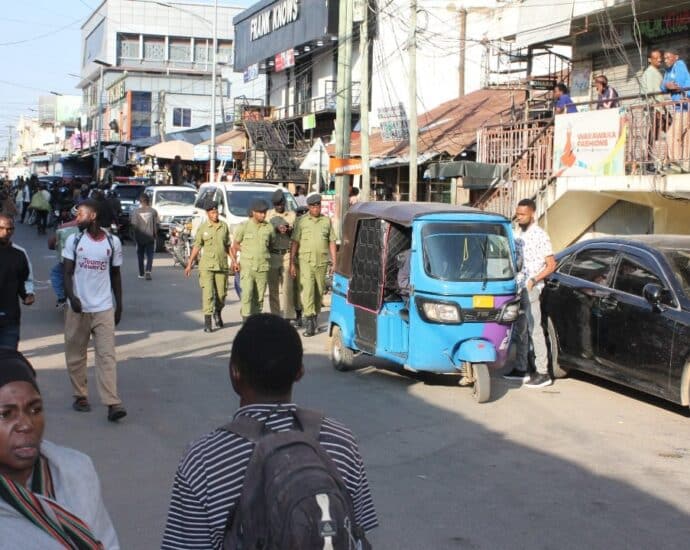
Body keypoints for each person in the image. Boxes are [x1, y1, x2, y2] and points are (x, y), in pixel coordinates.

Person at [161, 314, 377, 549]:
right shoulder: (341, 441)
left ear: (234, 373)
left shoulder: (203, 460)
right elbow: (355, 532)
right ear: (300, 372)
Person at [0, 350, 120, 549]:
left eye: (35, 409)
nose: (26, 424)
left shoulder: (76, 470)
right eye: (5, 414)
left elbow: (108, 541)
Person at [62, 199, 127, 422]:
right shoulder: (74, 240)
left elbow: (116, 275)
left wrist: (119, 305)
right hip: (78, 308)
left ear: (93, 216)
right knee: (76, 354)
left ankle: (112, 403)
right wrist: (72, 297)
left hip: (103, 308)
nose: (76, 218)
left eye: (80, 214)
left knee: (107, 355)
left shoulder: (112, 242)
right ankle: (80, 395)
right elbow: (67, 273)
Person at [503, 198, 556, 389]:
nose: (519, 217)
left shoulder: (540, 235)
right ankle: (521, 368)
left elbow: (551, 265)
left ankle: (543, 372)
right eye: (517, 214)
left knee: (535, 329)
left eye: (523, 214)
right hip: (518, 287)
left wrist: (534, 280)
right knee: (521, 329)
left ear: (532, 213)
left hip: (532, 288)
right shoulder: (517, 233)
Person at [290, 193, 337, 337]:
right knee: (308, 290)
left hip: (322, 262)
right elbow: (295, 242)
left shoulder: (326, 221)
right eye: (313, 206)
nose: (316, 208)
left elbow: (332, 241)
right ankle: (309, 321)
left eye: (318, 206)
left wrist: (335, 261)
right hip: (306, 261)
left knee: (319, 291)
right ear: (309, 207)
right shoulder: (301, 221)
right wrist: (292, 262)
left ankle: (315, 316)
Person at [185, 199, 232, 333]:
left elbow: (228, 245)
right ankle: (208, 322)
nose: (215, 215)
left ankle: (217, 311)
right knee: (208, 294)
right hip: (206, 266)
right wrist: (189, 264)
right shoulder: (203, 228)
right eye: (212, 213)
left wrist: (233, 260)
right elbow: (197, 246)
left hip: (221, 266)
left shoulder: (224, 226)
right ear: (207, 214)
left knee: (222, 295)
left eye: (216, 212)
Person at [230, 199, 274, 323]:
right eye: (260, 212)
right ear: (254, 212)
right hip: (248, 267)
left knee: (259, 297)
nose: (263, 215)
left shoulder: (269, 227)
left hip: (262, 267)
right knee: (247, 295)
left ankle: (256, 322)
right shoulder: (244, 226)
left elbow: (271, 245)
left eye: (264, 212)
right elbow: (235, 244)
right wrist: (243, 252)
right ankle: (246, 322)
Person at [267, 189, 302, 325]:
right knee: (273, 289)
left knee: (288, 288)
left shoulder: (292, 215)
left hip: (287, 254)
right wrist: (275, 229)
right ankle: (275, 316)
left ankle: (288, 317)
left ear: (284, 203)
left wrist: (288, 230)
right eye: (276, 204)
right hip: (272, 255)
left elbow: (296, 236)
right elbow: (265, 233)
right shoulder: (269, 215)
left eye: (281, 204)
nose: (279, 206)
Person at [0, 214, 34, 349]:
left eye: (9, 229)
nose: (4, 233)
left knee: (9, 359)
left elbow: (26, 278)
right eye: (1, 228)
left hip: (10, 317)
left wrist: (28, 294)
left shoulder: (20, 253)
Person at [661, 49, 690, 169]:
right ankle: (685, 165)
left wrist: (668, 85)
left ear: (676, 57)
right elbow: (663, 86)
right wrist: (666, 85)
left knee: (672, 135)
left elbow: (677, 84)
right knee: (685, 136)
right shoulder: (668, 70)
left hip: (685, 105)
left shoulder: (680, 65)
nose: (665, 60)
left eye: (668, 57)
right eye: (665, 58)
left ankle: (676, 162)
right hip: (679, 107)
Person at [48, 209, 79, 309]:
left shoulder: (64, 226)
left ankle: (61, 297)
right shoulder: (95, 227)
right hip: (87, 260)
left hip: (66, 261)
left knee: (56, 274)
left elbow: (51, 244)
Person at [641, 49, 666, 169]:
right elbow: (651, 93)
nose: (660, 59)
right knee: (657, 134)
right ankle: (649, 162)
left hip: (659, 108)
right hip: (655, 108)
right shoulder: (650, 72)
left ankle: (649, 162)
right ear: (650, 60)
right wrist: (655, 110)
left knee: (654, 135)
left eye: (660, 57)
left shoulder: (655, 72)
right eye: (656, 58)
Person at [130, 193, 158, 280]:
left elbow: (133, 226)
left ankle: (141, 273)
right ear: (148, 201)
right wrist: (155, 235)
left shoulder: (135, 212)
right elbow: (156, 225)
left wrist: (134, 238)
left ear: (140, 201)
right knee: (150, 255)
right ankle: (148, 271)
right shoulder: (153, 211)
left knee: (140, 255)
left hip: (140, 238)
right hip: (150, 237)